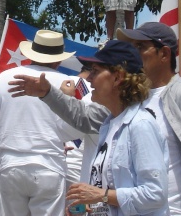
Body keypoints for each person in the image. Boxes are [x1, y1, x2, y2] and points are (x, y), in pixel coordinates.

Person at [9, 21, 181, 215]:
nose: (133, 52)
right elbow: (85, 118)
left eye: (141, 46)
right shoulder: (129, 103)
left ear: (164, 54)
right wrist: (49, 93)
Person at [0, 29, 82, 216]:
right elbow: (75, 131)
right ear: (59, 59)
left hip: (10, 164)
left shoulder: (3, 78)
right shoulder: (67, 83)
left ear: (32, 53)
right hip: (49, 165)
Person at [63, 40, 168, 215]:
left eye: (95, 72)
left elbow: (155, 194)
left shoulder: (141, 125)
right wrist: (91, 205)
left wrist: (101, 196)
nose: (89, 78)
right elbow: (109, 189)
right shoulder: (109, 125)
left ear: (118, 78)